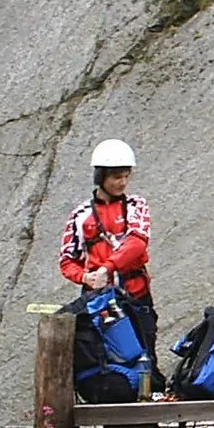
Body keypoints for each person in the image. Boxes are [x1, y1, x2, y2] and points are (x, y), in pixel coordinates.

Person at [60, 138, 160, 372]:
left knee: (146, 355)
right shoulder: (80, 216)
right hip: (99, 300)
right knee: (106, 357)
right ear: (101, 176)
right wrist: (87, 278)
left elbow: (137, 242)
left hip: (136, 295)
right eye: (117, 177)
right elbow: (67, 261)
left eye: (126, 176)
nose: (122, 182)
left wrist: (107, 268)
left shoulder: (137, 205)